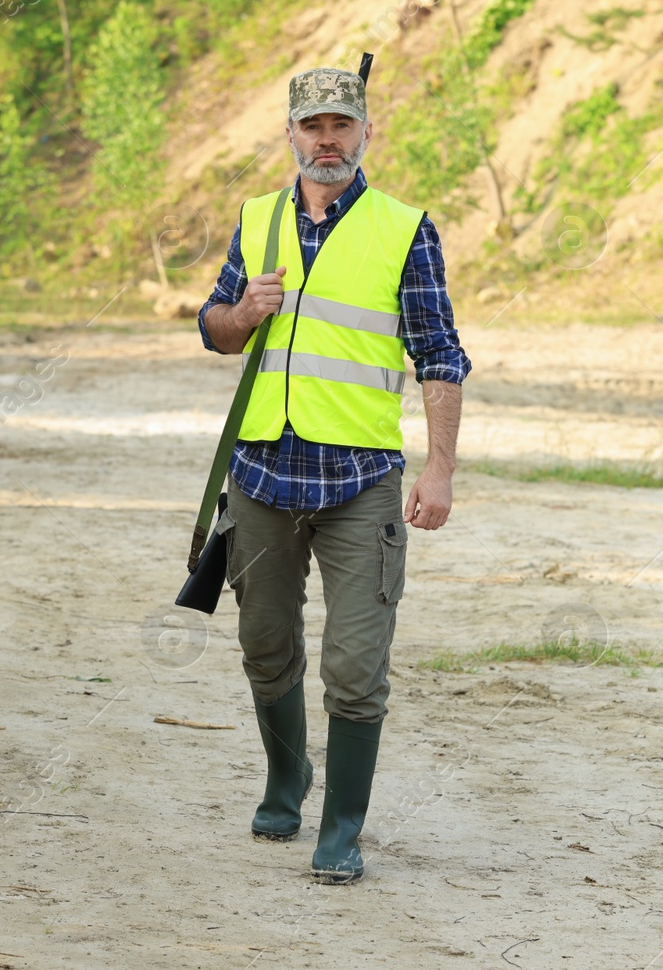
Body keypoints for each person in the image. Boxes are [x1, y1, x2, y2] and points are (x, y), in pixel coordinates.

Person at [197, 66, 470, 883]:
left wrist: (442, 468)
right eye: (313, 125)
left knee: (356, 665)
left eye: (341, 126)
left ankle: (341, 829)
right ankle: (289, 778)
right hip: (260, 474)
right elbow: (213, 327)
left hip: (360, 481)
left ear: (365, 135)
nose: (327, 140)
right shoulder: (256, 219)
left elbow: (440, 354)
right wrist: (243, 314)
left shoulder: (404, 228)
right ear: (289, 133)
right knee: (264, 645)